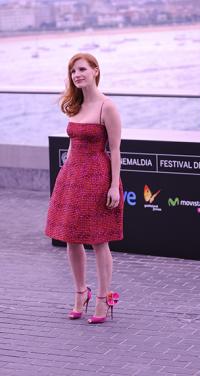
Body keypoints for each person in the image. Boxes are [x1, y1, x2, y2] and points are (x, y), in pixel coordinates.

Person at [45, 53, 123, 324]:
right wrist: (65, 174)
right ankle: (80, 293)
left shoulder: (107, 107)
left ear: (95, 71)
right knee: (71, 238)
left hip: (98, 177)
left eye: (81, 69)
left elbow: (115, 150)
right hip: (72, 177)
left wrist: (114, 186)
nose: (77, 75)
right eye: (73, 71)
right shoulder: (74, 105)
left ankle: (103, 296)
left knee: (99, 239)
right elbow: (71, 145)